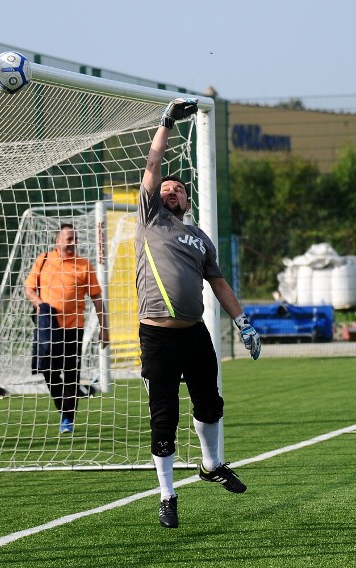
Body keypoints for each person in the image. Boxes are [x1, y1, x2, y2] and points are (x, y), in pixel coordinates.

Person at [136, 98, 262, 528]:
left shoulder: (201, 238)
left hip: (195, 332)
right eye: (166, 189)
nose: (170, 191)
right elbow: (154, 165)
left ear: (187, 201)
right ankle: (167, 494)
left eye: (178, 190)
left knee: (210, 403)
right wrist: (167, 122)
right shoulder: (151, 218)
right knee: (164, 415)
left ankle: (211, 466)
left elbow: (219, 283)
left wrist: (243, 323)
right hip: (157, 335)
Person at [24, 223, 109, 434]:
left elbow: (97, 298)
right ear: (58, 240)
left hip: (74, 328)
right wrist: (39, 304)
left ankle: (67, 419)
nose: (72, 243)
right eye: (68, 238)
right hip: (48, 326)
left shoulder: (83, 265)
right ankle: (64, 407)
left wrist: (104, 329)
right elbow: (29, 287)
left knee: (71, 373)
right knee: (46, 369)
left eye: (75, 239)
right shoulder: (43, 260)